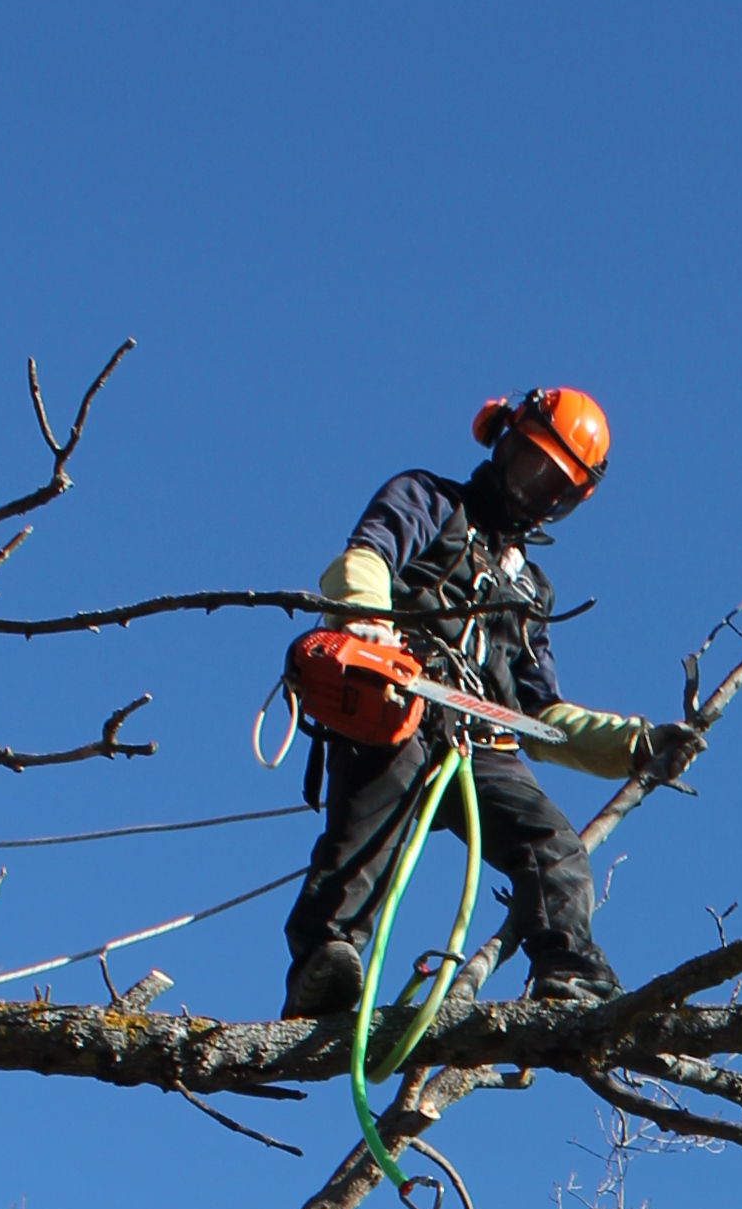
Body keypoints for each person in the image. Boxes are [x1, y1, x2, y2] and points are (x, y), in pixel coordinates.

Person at [283, 386, 698, 1020]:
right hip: (398, 700)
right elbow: (365, 558)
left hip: (481, 739)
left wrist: (634, 744)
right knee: (364, 841)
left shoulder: (530, 589)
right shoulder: (432, 500)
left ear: (567, 502)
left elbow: (543, 717)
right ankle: (324, 967)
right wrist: (368, 619)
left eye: (552, 486)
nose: (532, 490)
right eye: (530, 465)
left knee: (554, 844)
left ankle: (570, 976)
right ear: (503, 441)